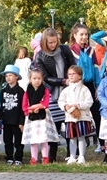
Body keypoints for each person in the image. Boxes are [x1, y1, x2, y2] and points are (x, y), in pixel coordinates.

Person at [32, 28, 76, 163]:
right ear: (44, 42)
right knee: (53, 126)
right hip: (52, 92)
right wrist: (63, 81)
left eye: (54, 42)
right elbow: (45, 77)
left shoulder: (64, 50)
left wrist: (71, 79)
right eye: (50, 43)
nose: (52, 45)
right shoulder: (40, 56)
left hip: (68, 90)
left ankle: (71, 154)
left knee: (69, 123)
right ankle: (51, 156)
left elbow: (72, 65)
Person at [69, 23, 104, 147]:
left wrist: (98, 86)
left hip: (89, 85)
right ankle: (77, 146)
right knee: (77, 115)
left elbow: (95, 69)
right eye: (81, 34)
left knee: (97, 114)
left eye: (86, 34)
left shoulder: (90, 50)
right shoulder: (71, 51)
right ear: (75, 35)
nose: (84, 37)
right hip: (77, 86)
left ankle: (102, 144)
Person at [60, 65, 94, 165]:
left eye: (73, 74)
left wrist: (78, 105)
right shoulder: (66, 90)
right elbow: (61, 101)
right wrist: (65, 106)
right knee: (72, 137)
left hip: (82, 117)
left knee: (81, 136)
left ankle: (81, 156)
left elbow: (89, 102)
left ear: (80, 76)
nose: (71, 76)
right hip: (70, 118)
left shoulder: (84, 89)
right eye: (69, 74)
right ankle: (72, 156)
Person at [22, 68, 55, 165]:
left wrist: (38, 106)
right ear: (30, 79)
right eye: (34, 78)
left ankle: (45, 157)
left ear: (42, 79)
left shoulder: (45, 90)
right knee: (33, 139)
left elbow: (46, 103)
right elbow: (24, 104)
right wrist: (29, 110)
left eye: (39, 78)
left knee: (43, 139)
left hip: (43, 117)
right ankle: (34, 158)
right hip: (31, 117)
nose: (37, 81)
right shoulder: (27, 91)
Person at [0, 65, 25, 165]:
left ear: (16, 77)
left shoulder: (20, 91)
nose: (8, 78)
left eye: (10, 75)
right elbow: (1, 107)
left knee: (18, 141)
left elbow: (23, 108)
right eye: (6, 76)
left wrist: (21, 122)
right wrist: (0, 121)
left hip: (17, 121)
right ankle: (9, 157)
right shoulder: (3, 91)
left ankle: (18, 158)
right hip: (6, 121)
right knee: (7, 141)